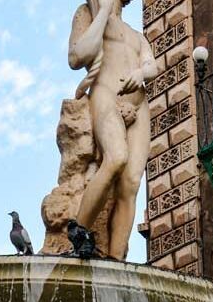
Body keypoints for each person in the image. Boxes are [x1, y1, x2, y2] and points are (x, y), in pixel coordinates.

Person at [68, 0, 158, 259]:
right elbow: (76, 57)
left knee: (131, 183)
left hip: (139, 105)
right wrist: (104, 12)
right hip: (106, 93)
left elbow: (152, 66)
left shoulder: (135, 35)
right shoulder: (87, 13)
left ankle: (116, 259)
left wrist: (141, 73)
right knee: (116, 157)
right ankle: (79, 233)